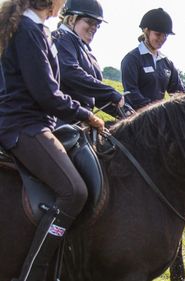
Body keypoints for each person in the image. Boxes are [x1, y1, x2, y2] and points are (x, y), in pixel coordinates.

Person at [0, 0, 105, 280]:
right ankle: (34, 273)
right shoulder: (27, 29)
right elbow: (46, 93)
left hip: (39, 123)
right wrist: (86, 114)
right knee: (75, 192)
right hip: (24, 126)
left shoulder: (36, 28)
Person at [52, 0, 129, 122]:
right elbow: (70, 73)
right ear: (71, 19)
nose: (94, 28)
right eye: (89, 22)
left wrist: (126, 114)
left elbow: (96, 96)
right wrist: (110, 92)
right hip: (61, 117)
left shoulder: (86, 50)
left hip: (83, 118)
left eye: (97, 24)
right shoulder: (61, 38)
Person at [121, 8, 185, 110]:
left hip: (159, 116)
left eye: (165, 35)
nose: (162, 39)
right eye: (158, 34)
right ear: (146, 31)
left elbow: (179, 92)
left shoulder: (167, 63)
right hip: (136, 119)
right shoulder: (132, 59)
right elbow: (131, 92)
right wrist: (156, 110)